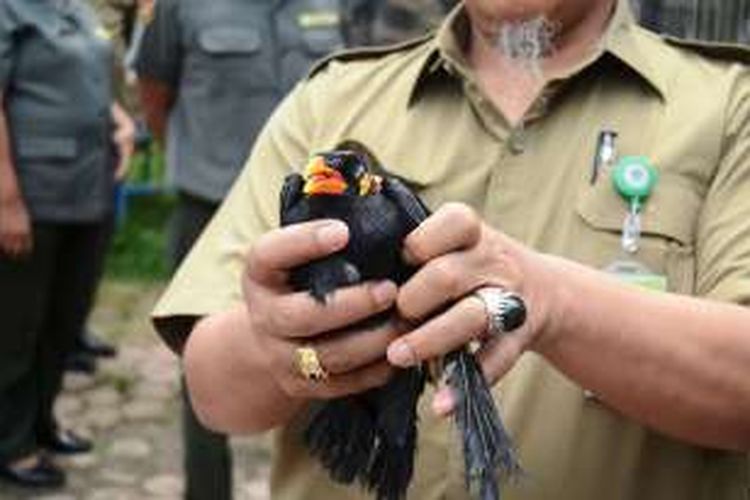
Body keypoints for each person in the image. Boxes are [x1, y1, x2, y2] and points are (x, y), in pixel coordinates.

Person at [152, 0, 750, 498]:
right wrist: (278, 346)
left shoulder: (729, 107)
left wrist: (554, 301)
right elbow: (212, 392)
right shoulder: (333, 99)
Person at [134, 1, 347, 498]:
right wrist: (190, 157)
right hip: (209, 206)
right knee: (202, 361)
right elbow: (153, 89)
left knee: (320, 351)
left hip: (308, 219)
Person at [0, 0, 135, 488]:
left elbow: (88, 74)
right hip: (30, 193)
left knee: (63, 319)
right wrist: (6, 198)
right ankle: (10, 446)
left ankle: (40, 424)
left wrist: (118, 117)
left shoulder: (73, 7)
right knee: (16, 326)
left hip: (86, 185)